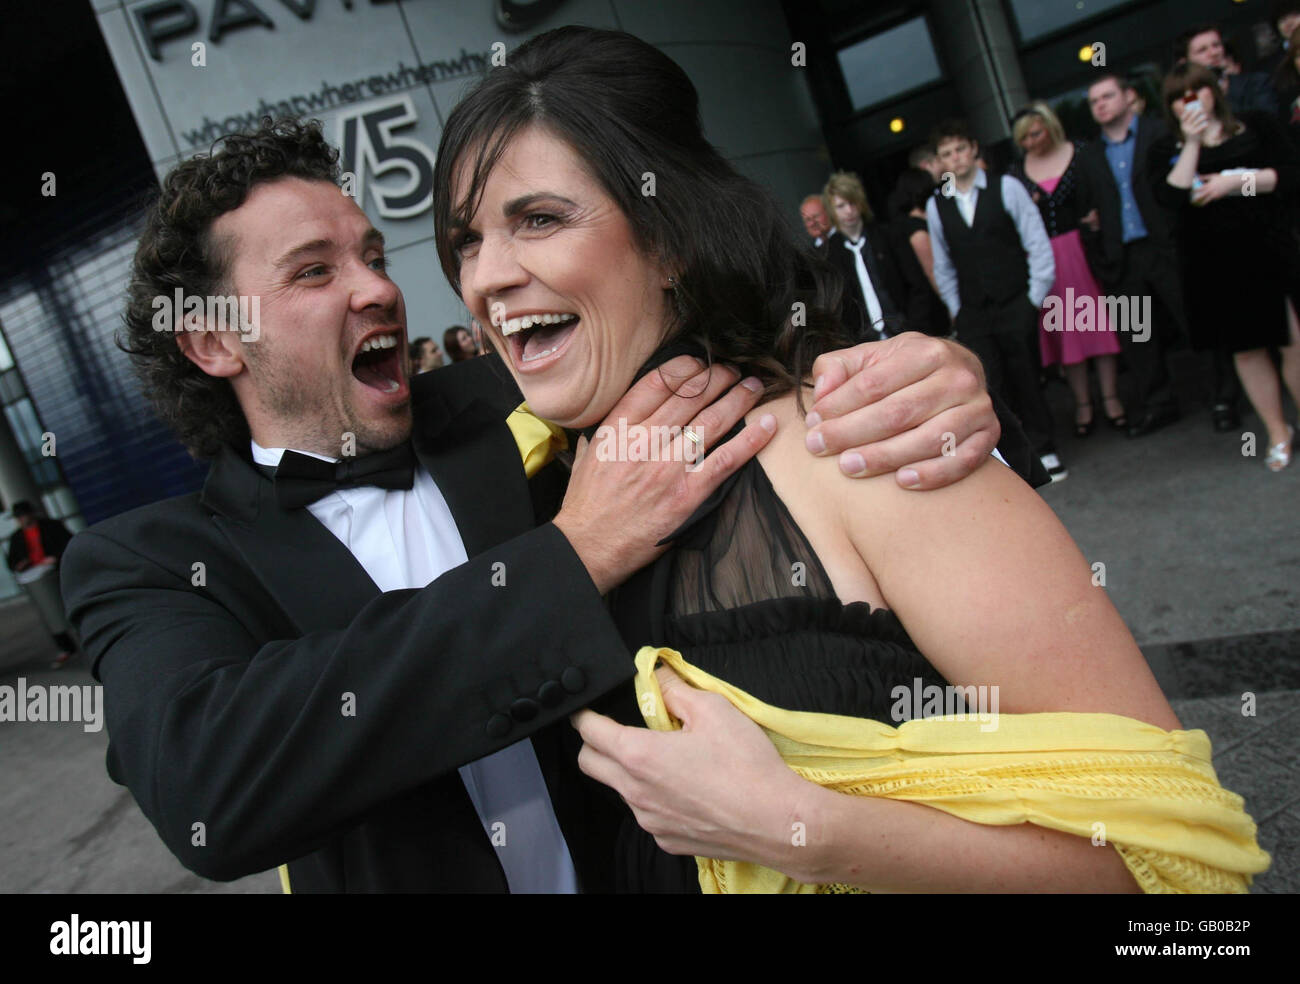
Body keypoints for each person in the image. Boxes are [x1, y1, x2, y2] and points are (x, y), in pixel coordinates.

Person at [62, 115, 1007, 893]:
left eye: (372, 255)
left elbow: (721, 351)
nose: (381, 289)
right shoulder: (144, 563)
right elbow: (210, 791)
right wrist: (575, 554)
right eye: (315, 272)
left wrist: (925, 369)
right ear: (213, 345)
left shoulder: (518, 402)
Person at [434, 26, 1261, 893]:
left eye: (538, 220)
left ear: (669, 235)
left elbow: (1181, 875)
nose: (489, 276)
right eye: (466, 242)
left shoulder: (864, 441)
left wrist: (808, 832)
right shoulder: (519, 497)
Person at [1152, 62, 1300, 471]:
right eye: (1181, 97)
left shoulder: (1256, 125)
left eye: (1198, 90)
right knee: (1248, 351)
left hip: (1270, 251)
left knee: (1293, 340)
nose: (1192, 101)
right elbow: (1172, 197)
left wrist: (1236, 183)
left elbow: (1289, 176)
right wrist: (1193, 143)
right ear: (1171, 107)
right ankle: (1277, 431)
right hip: (1216, 266)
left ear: (1214, 90)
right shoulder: (1166, 149)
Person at [926, 119, 1065, 482]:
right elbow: (943, 265)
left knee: (1027, 379)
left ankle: (1046, 449)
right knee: (988, 386)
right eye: (946, 153)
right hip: (973, 312)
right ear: (940, 161)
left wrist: (1033, 300)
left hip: (1016, 301)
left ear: (973, 150)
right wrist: (957, 310)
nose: (955, 158)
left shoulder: (1006, 187)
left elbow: (1036, 243)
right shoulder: (936, 205)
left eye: (959, 149)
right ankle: (1013, 462)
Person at [1076, 72, 1190, 437]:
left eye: (1107, 96)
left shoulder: (1160, 133)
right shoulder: (1089, 155)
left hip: (1166, 248)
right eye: (1094, 101)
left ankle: (1224, 396)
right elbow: (1083, 208)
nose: (1101, 105)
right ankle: (1159, 405)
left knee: (1194, 320)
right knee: (1138, 338)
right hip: (1121, 258)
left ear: (1129, 97)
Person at [1010, 102, 1125, 436]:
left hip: (1084, 252)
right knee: (1066, 336)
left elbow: (1104, 194)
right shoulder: (1015, 172)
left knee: (1099, 328)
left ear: (1049, 126)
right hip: (1046, 261)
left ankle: (1112, 397)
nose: (1032, 142)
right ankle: (1083, 405)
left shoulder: (1082, 153)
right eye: (1024, 139)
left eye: (1036, 133)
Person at [822, 171, 907, 340]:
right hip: (864, 340)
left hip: (903, 330)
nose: (849, 211)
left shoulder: (887, 236)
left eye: (852, 203)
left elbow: (914, 283)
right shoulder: (829, 254)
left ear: (861, 203)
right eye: (841, 206)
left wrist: (915, 325)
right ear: (832, 210)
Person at [7, 500, 77, 667]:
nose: (22, 520)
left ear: (31, 514)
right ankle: (65, 646)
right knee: (49, 611)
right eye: (19, 517)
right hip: (37, 578)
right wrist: (20, 564)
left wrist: (54, 557)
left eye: (23, 516)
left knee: (69, 604)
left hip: (57, 572)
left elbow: (70, 543)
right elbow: (11, 561)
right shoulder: (17, 537)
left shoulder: (51, 527)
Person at [885, 167, 951, 337]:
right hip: (932, 308)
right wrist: (952, 305)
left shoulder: (907, 224)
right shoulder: (917, 229)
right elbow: (932, 271)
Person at [1177, 23, 1280, 117]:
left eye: (1216, 45)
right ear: (1184, 63)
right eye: (1202, 50)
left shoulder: (1256, 82)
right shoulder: (1188, 98)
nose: (1214, 53)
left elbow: (1268, 121)